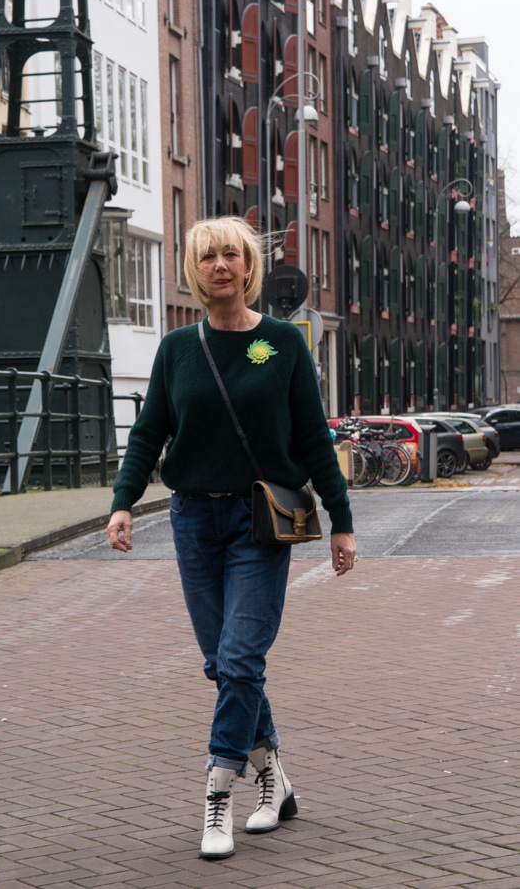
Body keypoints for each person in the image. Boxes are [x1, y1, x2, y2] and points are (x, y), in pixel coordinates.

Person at [106, 215, 357, 861]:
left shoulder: (281, 344)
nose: (219, 264)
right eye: (206, 256)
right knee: (223, 663)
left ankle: (218, 791)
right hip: (192, 520)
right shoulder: (175, 349)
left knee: (240, 658)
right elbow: (148, 432)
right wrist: (123, 502)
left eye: (230, 254)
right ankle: (273, 776)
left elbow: (310, 437)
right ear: (193, 269)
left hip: (260, 522)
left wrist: (342, 520)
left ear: (247, 265)